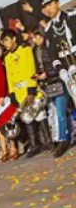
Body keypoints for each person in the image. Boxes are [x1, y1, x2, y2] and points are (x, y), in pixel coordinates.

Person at [2, 29, 45, 157]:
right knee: (26, 118)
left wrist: (31, 89)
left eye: (6, 40)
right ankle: (35, 145)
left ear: (14, 38)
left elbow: (31, 67)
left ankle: (48, 141)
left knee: (39, 115)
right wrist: (12, 94)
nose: (5, 43)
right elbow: (9, 77)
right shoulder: (7, 57)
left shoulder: (25, 50)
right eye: (3, 42)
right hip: (18, 92)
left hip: (29, 89)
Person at [32, 27, 70, 157]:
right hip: (49, 86)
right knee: (55, 113)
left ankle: (64, 139)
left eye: (38, 37)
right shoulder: (36, 51)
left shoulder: (51, 48)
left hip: (58, 82)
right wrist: (38, 76)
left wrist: (46, 74)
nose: (37, 40)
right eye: (35, 38)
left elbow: (57, 65)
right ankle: (60, 138)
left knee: (61, 112)